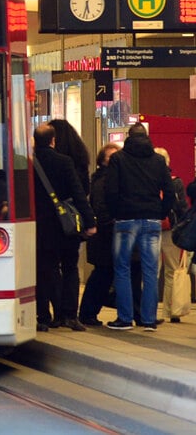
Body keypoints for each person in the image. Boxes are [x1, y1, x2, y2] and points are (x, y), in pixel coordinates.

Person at [104, 122, 176, 331]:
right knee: (150, 271)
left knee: (122, 268)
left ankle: (125, 318)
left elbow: (111, 191)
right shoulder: (158, 161)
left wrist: (117, 212)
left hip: (125, 220)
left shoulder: (118, 159)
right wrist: (159, 212)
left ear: (128, 136)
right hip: (152, 220)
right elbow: (169, 192)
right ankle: (149, 320)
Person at [32, 122, 96, 332]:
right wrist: (89, 222)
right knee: (70, 268)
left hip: (40, 226)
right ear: (53, 140)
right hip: (66, 225)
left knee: (44, 269)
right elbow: (78, 193)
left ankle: (45, 316)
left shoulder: (27, 163)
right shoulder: (65, 162)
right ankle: (69, 315)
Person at [79, 142, 134, 326]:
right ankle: (88, 313)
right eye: (111, 157)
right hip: (105, 235)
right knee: (102, 274)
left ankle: (89, 312)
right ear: (102, 161)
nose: (115, 160)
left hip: (105, 235)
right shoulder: (104, 180)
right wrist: (112, 225)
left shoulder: (103, 178)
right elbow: (101, 208)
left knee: (104, 274)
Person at [154, 147, 190, 323]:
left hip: (151, 228)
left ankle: (148, 311)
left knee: (151, 272)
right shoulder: (176, 182)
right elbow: (182, 207)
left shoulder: (147, 179)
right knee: (171, 271)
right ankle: (169, 312)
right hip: (170, 231)